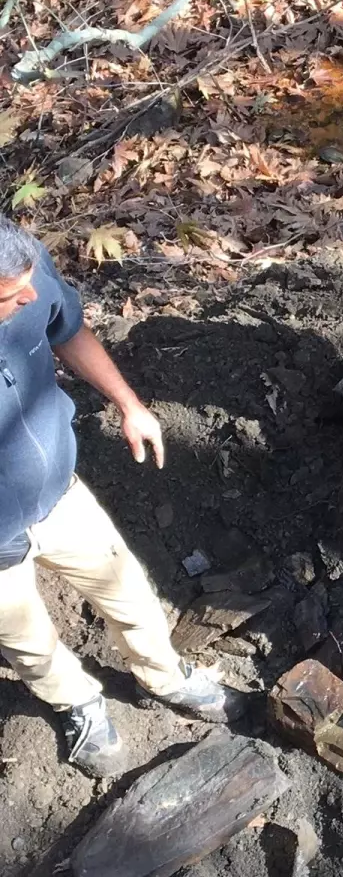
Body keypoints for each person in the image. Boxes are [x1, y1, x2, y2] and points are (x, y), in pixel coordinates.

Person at [0, 217, 245, 779]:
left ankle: (164, 674)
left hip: (60, 492)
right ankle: (75, 702)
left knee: (132, 595)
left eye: (30, 281)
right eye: (13, 297)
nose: (31, 296)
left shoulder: (23, 267)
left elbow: (66, 329)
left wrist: (128, 404)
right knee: (28, 640)